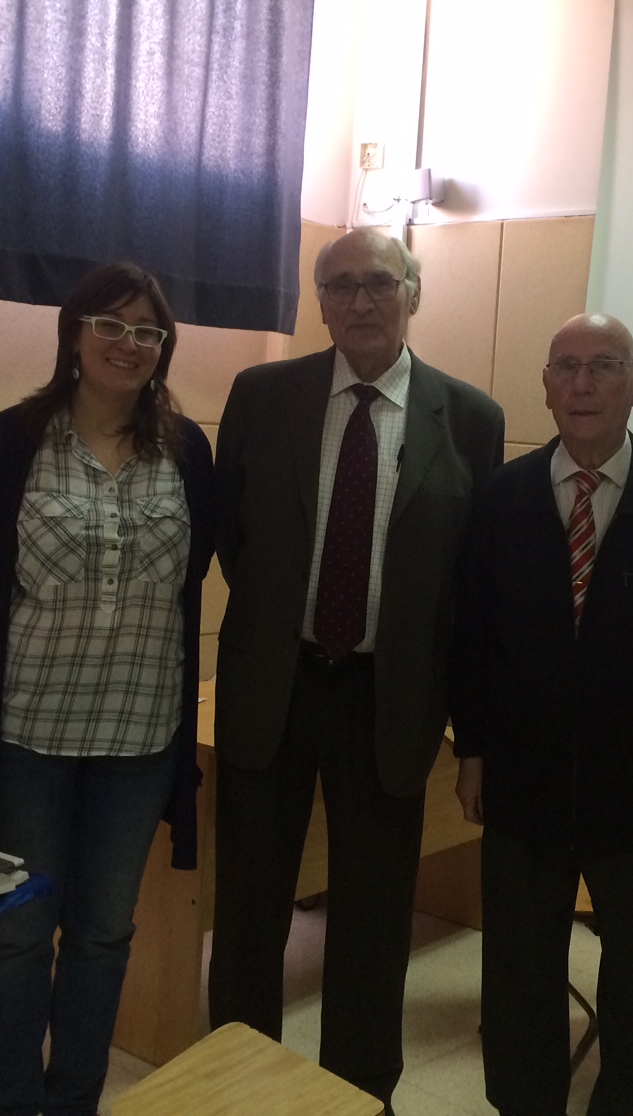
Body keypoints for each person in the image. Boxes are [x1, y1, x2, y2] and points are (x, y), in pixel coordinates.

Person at [207, 228, 504, 1111]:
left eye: (380, 283)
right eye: (339, 287)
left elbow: (471, 583)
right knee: (251, 909)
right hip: (274, 687)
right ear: (320, 300)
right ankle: (237, 1084)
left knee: (374, 920)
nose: (360, 301)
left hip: (392, 698)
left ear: (414, 292)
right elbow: (236, 537)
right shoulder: (262, 396)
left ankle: (356, 1092)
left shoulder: (472, 418)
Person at [0, 262, 214, 1116]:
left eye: (148, 332)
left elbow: (192, 572)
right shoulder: (16, 439)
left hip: (138, 737)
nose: (129, 346)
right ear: (75, 334)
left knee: (101, 935)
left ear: (164, 349)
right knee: (17, 932)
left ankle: (73, 1101)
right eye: (112, 326)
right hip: (28, 734)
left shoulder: (187, 450)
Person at [451, 313, 633, 1116]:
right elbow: (471, 638)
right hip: (524, 789)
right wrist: (472, 750)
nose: (582, 383)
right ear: (544, 384)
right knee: (518, 973)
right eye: (565, 366)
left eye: (604, 366)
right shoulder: (501, 498)